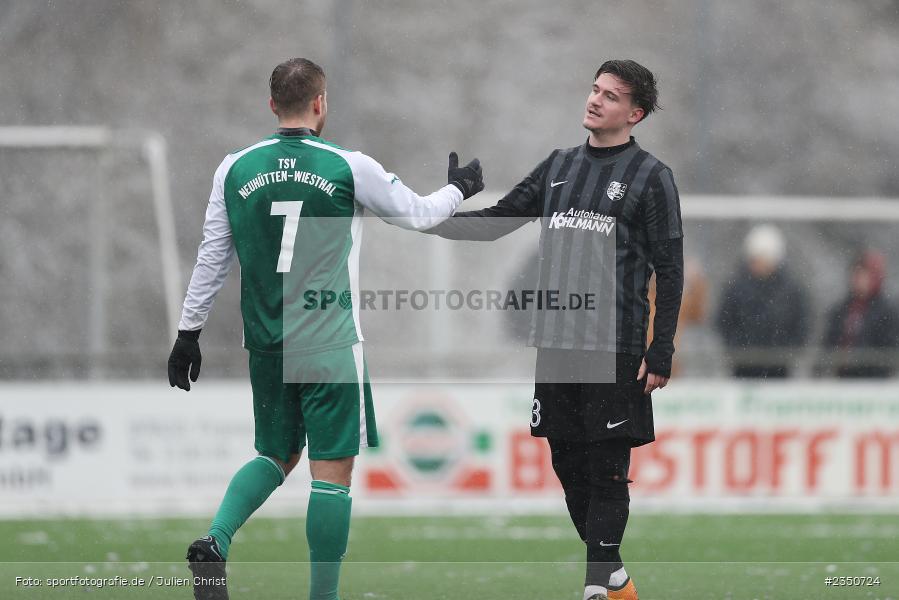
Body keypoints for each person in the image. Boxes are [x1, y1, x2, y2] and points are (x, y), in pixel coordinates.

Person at [166, 57, 483, 600]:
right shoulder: (347, 165)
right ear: (320, 104)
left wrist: (187, 333)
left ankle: (216, 541)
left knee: (275, 454)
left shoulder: (234, 168)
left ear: (272, 105)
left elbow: (212, 256)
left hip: (267, 341)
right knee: (331, 473)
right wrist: (459, 187)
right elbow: (420, 215)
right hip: (330, 339)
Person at [428, 59, 683, 600]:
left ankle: (596, 583)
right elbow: (497, 220)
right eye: (594, 90)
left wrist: (661, 350)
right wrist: (428, 210)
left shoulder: (652, 178)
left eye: (611, 96)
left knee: (608, 466)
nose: (595, 100)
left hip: (614, 346)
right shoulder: (559, 165)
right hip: (558, 346)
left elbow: (671, 267)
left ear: (634, 113)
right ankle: (614, 579)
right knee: (568, 463)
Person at [715, 224, 809, 378]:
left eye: (767, 258)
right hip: (743, 368)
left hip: (779, 370)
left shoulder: (791, 291)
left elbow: (802, 325)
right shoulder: (736, 289)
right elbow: (723, 322)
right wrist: (740, 349)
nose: (762, 264)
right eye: (758, 258)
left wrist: (784, 351)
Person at [821, 250, 898, 378]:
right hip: (841, 379)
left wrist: (861, 361)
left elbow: (889, 349)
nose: (858, 280)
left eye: (864, 275)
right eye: (856, 274)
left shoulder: (887, 312)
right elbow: (829, 342)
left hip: (873, 381)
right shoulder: (841, 309)